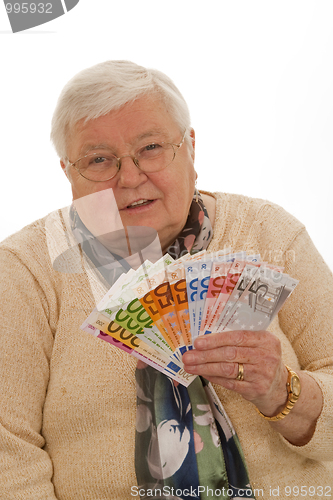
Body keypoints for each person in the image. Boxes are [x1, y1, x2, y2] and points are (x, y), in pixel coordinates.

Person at [0, 60, 332, 500]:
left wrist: (285, 392)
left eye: (151, 147)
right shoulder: (26, 269)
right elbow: (8, 451)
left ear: (191, 148)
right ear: (68, 173)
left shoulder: (271, 232)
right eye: (99, 159)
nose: (130, 177)